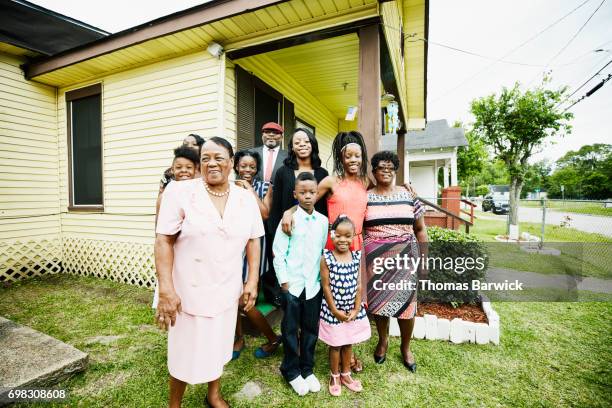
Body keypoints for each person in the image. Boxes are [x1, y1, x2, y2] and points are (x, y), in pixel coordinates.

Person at [155, 137, 264, 408]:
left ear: (231, 162)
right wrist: (166, 288)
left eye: (218, 157)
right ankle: (174, 405)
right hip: (188, 291)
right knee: (183, 352)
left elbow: (253, 239)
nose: (211, 163)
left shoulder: (244, 197)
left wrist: (252, 279)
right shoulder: (179, 192)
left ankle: (213, 395)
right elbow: (163, 240)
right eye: (205, 158)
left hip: (226, 289)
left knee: (219, 344)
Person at [364, 151, 428, 373]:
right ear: (373, 171)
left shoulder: (409, 195)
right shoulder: (367, 196)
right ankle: (382, 341)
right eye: (381, 167)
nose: (386, 170)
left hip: (406, 258)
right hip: (376, 260)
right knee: (380, 304)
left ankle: (406, 347)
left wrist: (424, 261)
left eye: (390, 167)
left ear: (396, 170)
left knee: (407, 307)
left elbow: (420, 229)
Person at [272, 172, 328, 396]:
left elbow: (323, 251)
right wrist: (284, 282)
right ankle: (291, 369)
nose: (307, 196)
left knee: (310, 329)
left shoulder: (323, 222)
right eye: (302, 192)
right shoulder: (289, 219)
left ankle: (307, 368)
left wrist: (322, 282)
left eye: (312, 192)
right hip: (293, 285)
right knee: (290, 330)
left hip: (313, 286)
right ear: (295, 194)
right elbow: (278, 253)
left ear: (317, 194)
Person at [265, 128, 328, 305]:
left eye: (306, 141)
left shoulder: (322, 173)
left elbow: (322, 205)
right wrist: (275, 229)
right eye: (297, 142)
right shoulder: (282, 172)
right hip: (288, 230)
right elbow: (277, 205)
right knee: (288, 270)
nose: (302, 145)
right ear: (291, 148)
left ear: (313, 145)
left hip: (313, 231)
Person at [231, 149, 281, 359]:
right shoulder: (228, 186)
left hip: (253, 243)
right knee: (232, 297)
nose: (247, 170)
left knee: (244, 299)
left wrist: (249, 189)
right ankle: (238, 338)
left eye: (252, 167)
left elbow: (265, 213)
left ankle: (272, 337)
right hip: (230, 244)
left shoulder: (264, 187)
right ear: (236, 166)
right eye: (243, 166)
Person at [319, 215, 371, 396]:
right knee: (335, 345)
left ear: (353, 237)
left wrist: (357, 309)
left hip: (351, 310)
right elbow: (325, 286)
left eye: (347, 236)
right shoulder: (326, 257)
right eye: (338, 235)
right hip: (333, 310)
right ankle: (334, 375)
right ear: (332, 235)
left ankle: (346, 375)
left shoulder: (356, 257)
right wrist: (334, 310)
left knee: (348, 343)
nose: (343, 240)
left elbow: (359, 285)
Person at [152, 145, 200, 309]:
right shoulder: (167, 194)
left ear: (196, 170)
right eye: (178, 167)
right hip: (174, 248)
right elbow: (160, 229)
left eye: (188, 167)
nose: (184, 171)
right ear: (172, 170)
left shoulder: (200, 192)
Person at [251, 122, 288, 306]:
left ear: (281, 136)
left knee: (274, 248)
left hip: (278, 207)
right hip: (253, 205)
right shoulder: (252, 153)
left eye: (275, 133)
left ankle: (272, 292)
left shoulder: (288, 156)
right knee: (253, 246)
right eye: (267, 132)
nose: (271, 135)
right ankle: (252, 289)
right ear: (262, 134)